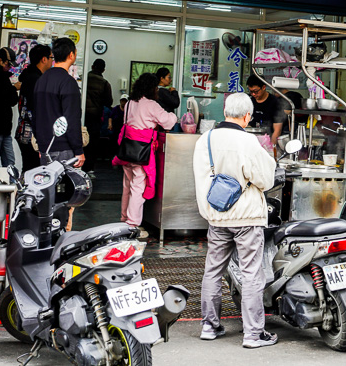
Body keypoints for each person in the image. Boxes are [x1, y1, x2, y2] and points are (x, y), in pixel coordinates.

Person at [193, 93, 277, 349]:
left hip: (217, 215)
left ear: (225, 112)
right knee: (251, 274)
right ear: (247, 116)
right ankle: (253, 334)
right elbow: (266, 180)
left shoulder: (205, 139)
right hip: (247, 217)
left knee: (213, 270)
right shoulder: (248, 141)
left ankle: (209, 326)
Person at [114, 73, 176, 238]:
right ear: (152, 88)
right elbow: (169, 122)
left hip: (127, 149)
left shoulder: (130, 103)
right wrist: (173, 115)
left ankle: (124, 219)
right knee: (138, 187)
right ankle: (132, 225)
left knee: (127, 186)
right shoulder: (151, 105)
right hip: (142, 152)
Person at [33, 37, 85, 168]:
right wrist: (78, 150)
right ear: (71, 55)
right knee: (64, 181)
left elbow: (35, 114)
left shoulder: (41, 80)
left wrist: (41, 145)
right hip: (63, 148)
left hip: (45, 147)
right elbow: (71, 119)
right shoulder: (68, 82)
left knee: (47, 180)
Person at [15, 44, 52, 171]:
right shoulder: (36, 80)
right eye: (51, 58)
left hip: (24, 131)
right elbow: (36, 110)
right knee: (34, 171)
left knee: (30, 169)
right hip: (32, 135)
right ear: (44, 59)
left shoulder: (29, 76)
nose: (52, 61)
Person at [85, 58, 114, 172]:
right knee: (92, 143)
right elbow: (108, 102)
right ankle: (89, 168)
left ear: (92, 67)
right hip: (95, 117)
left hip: (81, 116)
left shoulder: (84, 78)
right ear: (103, 70)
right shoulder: (104, 83)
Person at [246, 74, 286, 144]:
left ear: (263, 87)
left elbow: (277, 131)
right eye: (251, 91)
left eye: (256, 91)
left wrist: (271, 147)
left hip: (268, 140)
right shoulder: (249, 101)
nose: (253, 94)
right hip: (251, 140)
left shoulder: (275, 102)